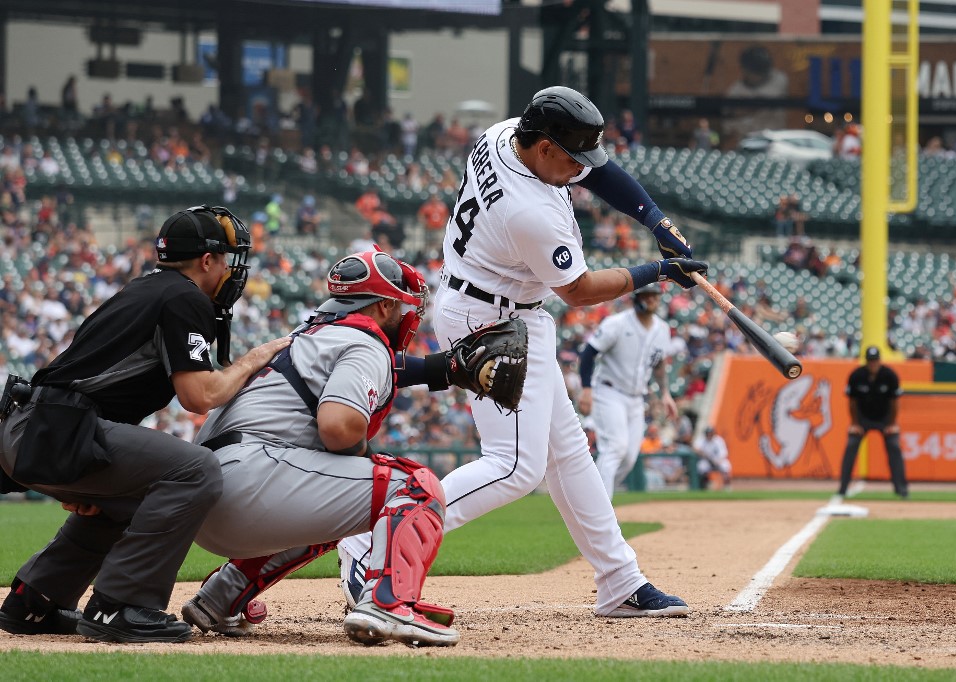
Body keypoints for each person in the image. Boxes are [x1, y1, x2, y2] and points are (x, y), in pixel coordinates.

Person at [340, 85, 708, 618]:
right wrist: (659, 272)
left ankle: (620, 580)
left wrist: (657, 223)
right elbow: (578, 291)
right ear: (543, 147)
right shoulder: (529, 212)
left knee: (569, 454)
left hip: (492, 302)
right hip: (493, 319)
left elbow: (600, 172)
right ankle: (372, 540)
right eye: (571, 157)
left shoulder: (506, 135)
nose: (580, 168)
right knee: (514, 465)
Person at [179, 249, 525, 646]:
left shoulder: (308, 337)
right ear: (382, 306)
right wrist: (364, 458)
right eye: (400, 305)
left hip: (206, 496)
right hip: (253, 483)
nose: (406, 314)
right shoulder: (365, 341)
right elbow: (339, 428)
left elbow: (382, 373)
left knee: (339, 494)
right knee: (415, 484)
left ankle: (221, 595)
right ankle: (388, 603)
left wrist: (442, 369)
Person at [0, 205, 291, 643]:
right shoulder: (184, 297)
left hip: (37, 428)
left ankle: (35, 601)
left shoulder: (148, 289)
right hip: (53, 430)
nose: (233, 271)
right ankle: (119, 607)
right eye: (228, 259)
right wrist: (255, 357)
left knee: (133, 496)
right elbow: (200, 396)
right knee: (195, 470)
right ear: (207, 260)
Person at [577, 284, 677, 499]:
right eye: (647, 296)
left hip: (636, 399)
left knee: (630, 457)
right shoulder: (617, 323)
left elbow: (659, 365)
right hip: (608, 392)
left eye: (655, 297)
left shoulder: (662, 329)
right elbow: (588, 353)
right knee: (615, 448)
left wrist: (665, 394)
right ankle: (601, 508)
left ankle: (593, 496)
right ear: (636, 298)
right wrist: (586, 389)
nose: (651, 300)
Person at [835, 346, 909, 500]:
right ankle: (842, 488)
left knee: (894, 446)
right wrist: (855, 423)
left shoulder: (889, 375)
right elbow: (852, 402)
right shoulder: (857, 375)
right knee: (851, 445)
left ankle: (901, 489)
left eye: (875, 361)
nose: (873, 364)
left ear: (879, 361)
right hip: (862, 418)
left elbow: (894, 402)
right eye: (870, 361)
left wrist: (892, 423)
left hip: (885, 418)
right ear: (867, 361)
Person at [692, 426, 731, 491]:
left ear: (713, 433)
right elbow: (695, 448)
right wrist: (702, 453)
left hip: (717, 460)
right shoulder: (702, 440)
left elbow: (724, 453)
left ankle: (727, 487)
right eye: (708, 433)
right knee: (701, 467)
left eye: (710, 433)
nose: (709, 435)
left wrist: (719, 461)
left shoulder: (718, 440)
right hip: (706, 460)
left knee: (726, 465)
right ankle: (704, 485)